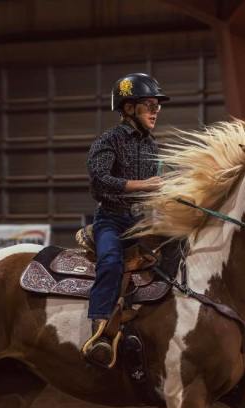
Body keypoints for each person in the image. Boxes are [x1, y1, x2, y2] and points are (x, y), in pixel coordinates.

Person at [82, 73, 169, 368]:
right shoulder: (107, 141)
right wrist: (144, 186)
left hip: (140, 222)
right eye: (148, 104)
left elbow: (158, 184)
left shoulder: (151, 145)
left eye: (157, 105)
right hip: (111, 219)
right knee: (110, 262)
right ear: (128, 107)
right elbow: (101, 181)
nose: (155, 110)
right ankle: (99, 329)